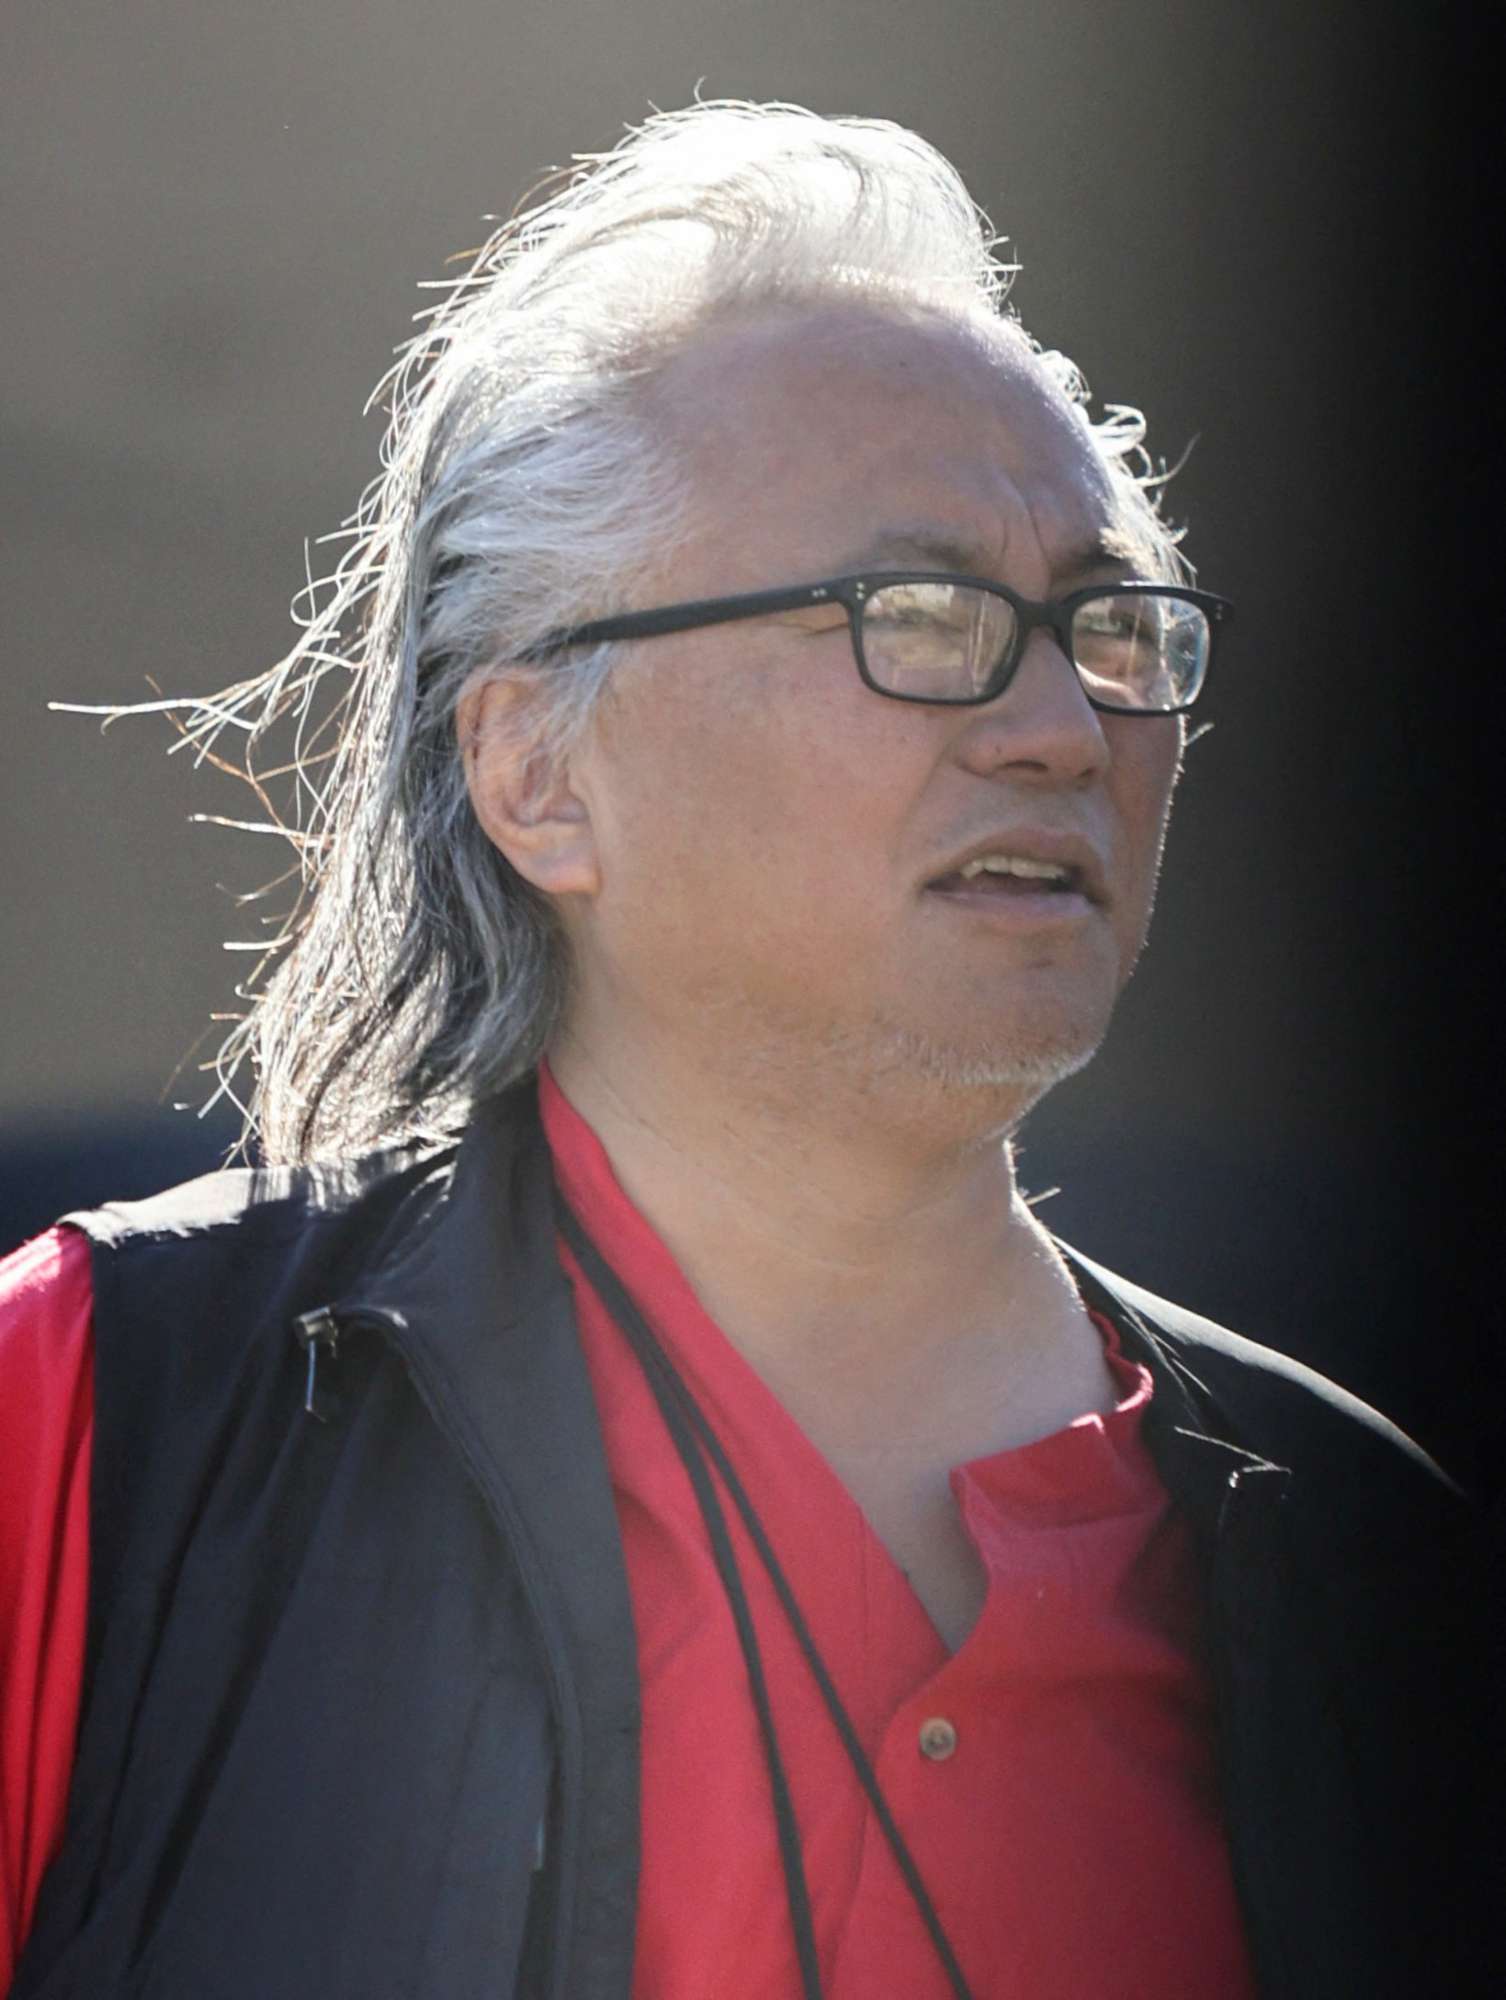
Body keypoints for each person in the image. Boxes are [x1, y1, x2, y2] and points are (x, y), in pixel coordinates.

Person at [0, 101, 1482, 2000]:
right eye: (916, 615)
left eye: (1111, 627)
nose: (1060, 726)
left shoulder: (1374, 1570)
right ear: (536, 772)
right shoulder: (114, 1411)